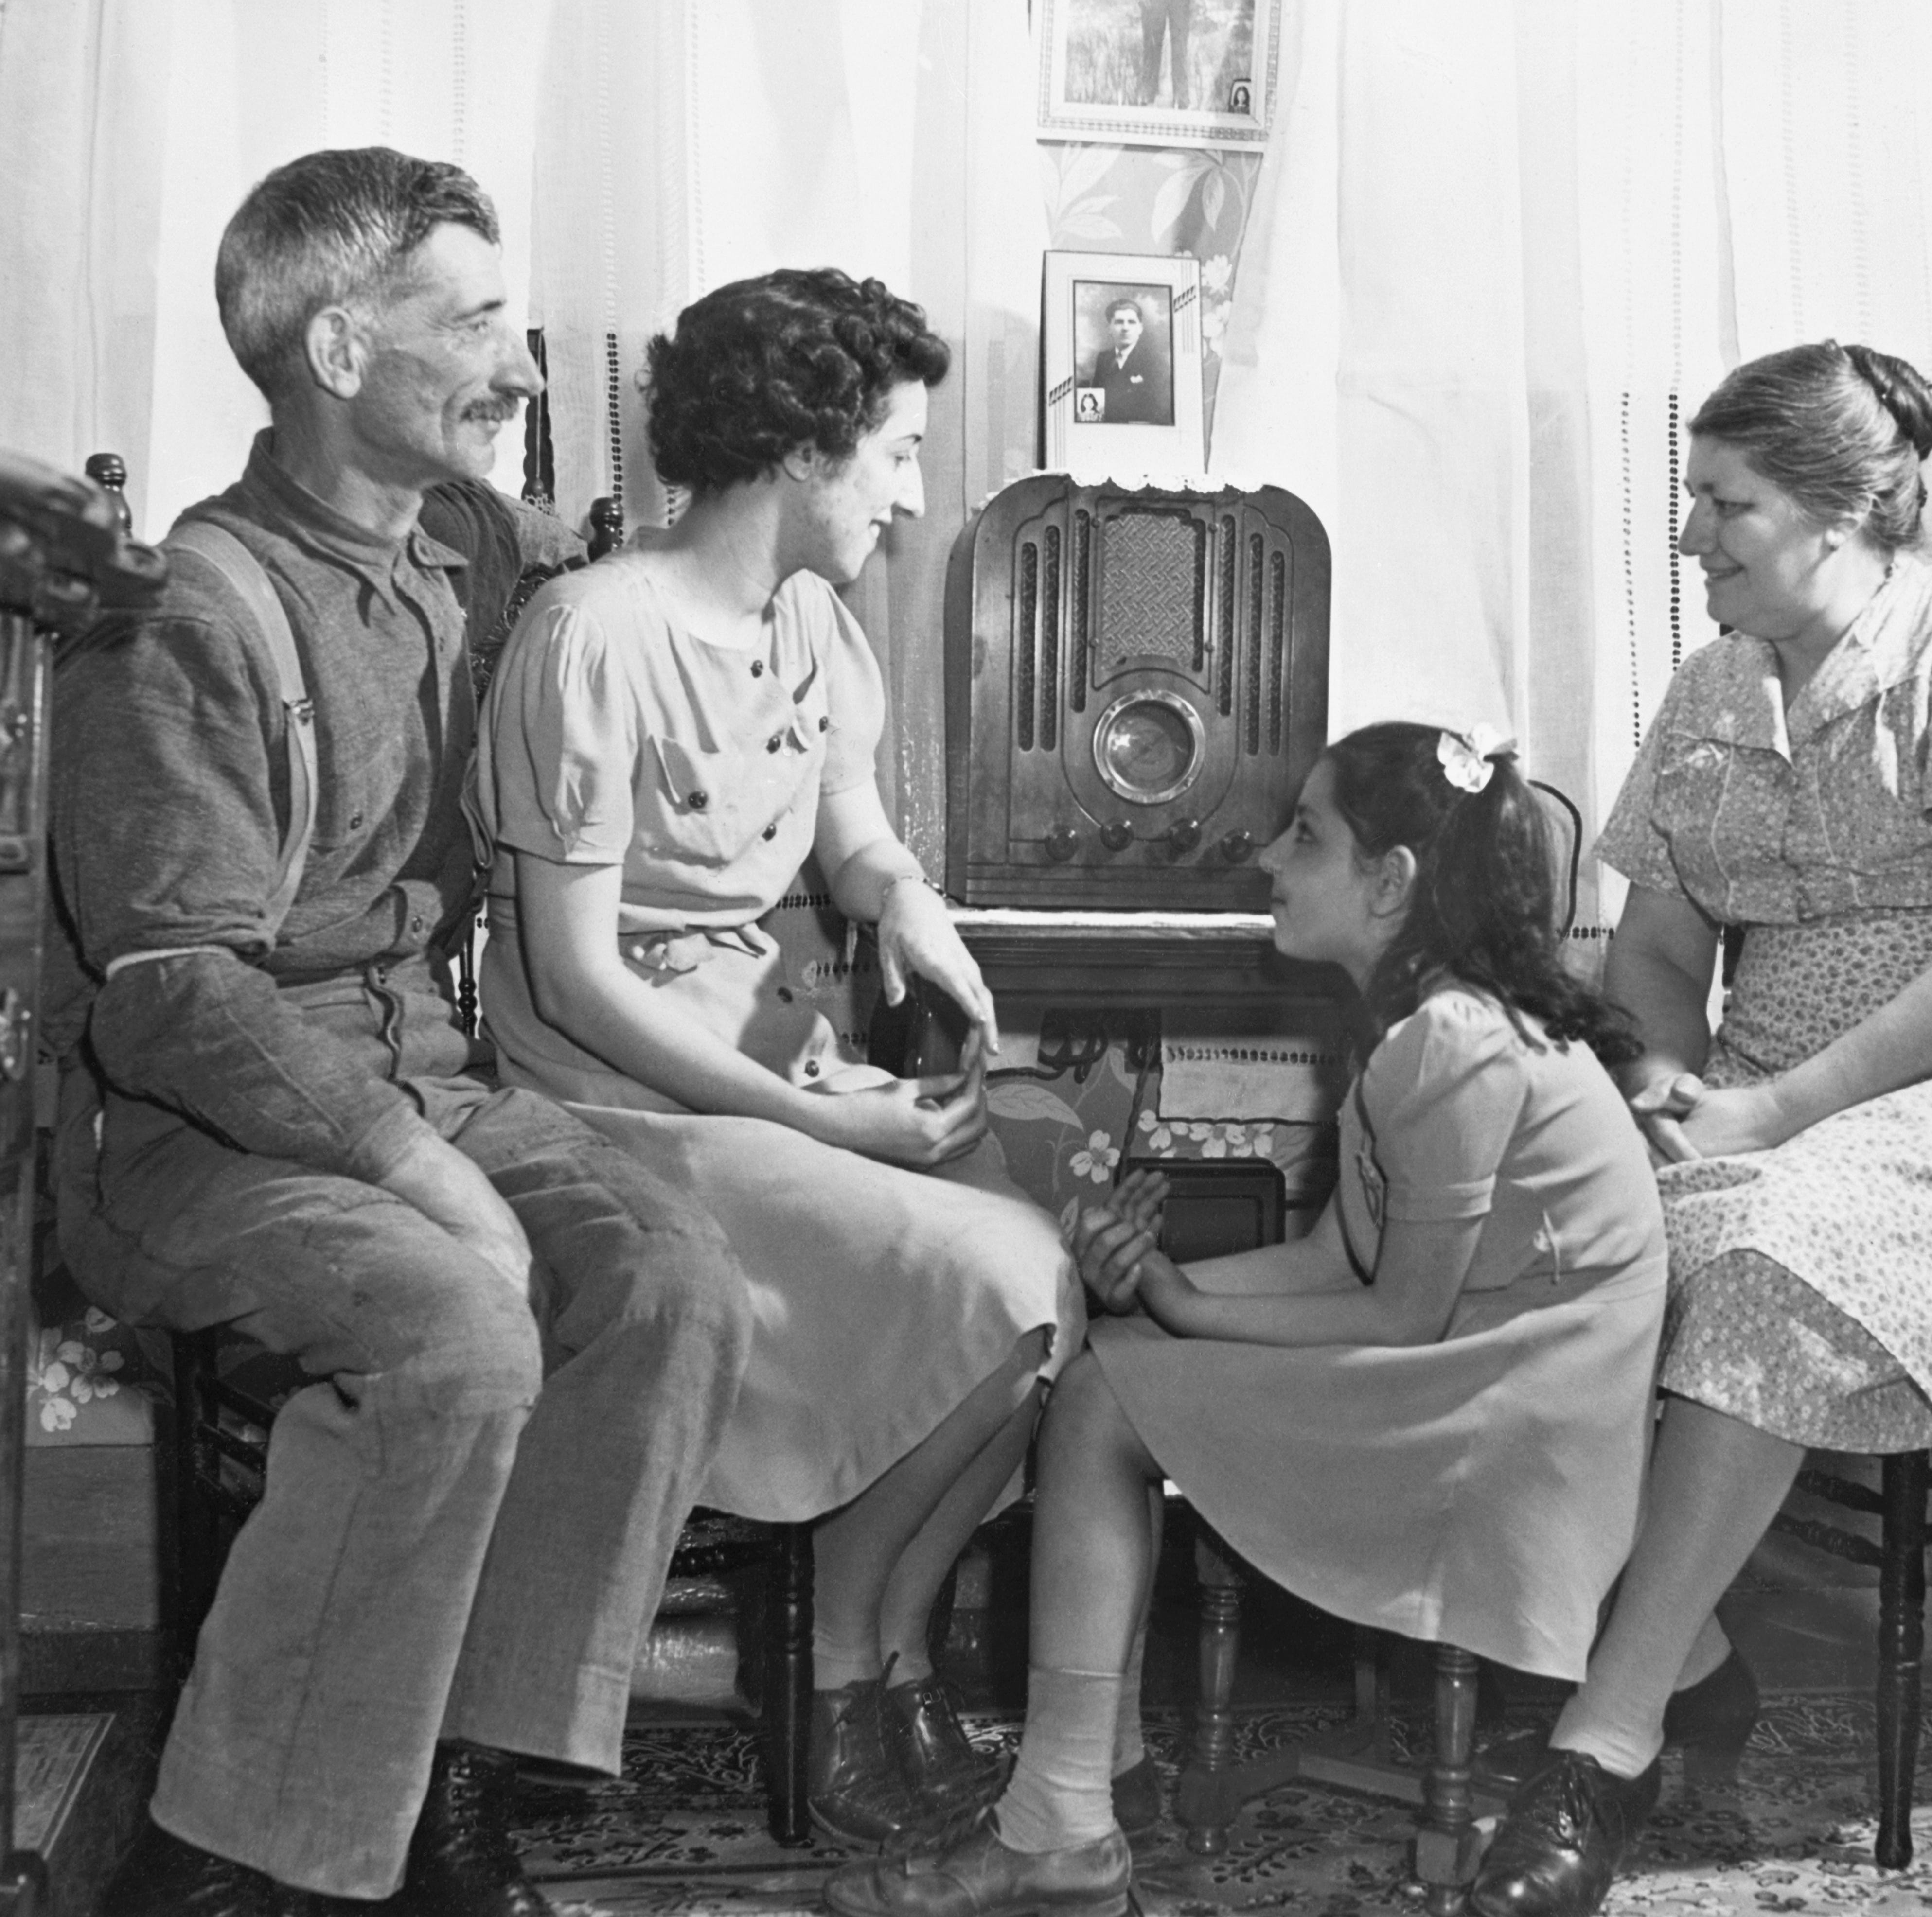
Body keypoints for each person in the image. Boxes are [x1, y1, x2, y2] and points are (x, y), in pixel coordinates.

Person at [50, 148, 753, 1917]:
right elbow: (173, 997)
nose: (523, 364)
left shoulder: (467, 551)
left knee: (672, 1283)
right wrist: (431, 1174)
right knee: (455, 1326)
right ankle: (222, 1858)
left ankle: (447, 1778)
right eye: (481, 322)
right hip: (195, 1134)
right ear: (345, 353)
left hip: (412, 1077)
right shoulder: (180, 614)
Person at [1461, 341, 1932, 1917]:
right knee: (1521, 1202)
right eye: (1692, 499)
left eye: (1727, 502)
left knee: (1771, 1245)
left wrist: (1767, 1115)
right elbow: (1651, 949)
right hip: (1765, 1089)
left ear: (1840, 509)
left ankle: (1607, 1742)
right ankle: (1690, 1645)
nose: (1693, 534)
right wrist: (1654, 1085)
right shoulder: (1715, 683)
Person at [825, 721, 1671, 1917]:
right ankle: (1082, 1774)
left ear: (1391, 884)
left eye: (1305, 835)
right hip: (1494, 1370)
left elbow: (1397, 1312)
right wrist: (1165, 1283)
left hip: (1526, 1425)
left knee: (1116, 1387)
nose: (1268, 858)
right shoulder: (1418, 1024)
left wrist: (1175, 1298)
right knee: (1121, 1360)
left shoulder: (1453, 1043)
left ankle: (1063, 1818)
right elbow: (1337, 1255)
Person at [467, 268, 1084, 1848]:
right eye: (894, 449)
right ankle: (833, 1654)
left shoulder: (805, 618)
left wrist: (905, 902)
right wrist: (829, 1114)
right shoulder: (592, 633)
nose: (915, 486)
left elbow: (852, 825)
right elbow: (578, 981)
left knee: (1052, 1278)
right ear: (801, 453)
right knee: (996, 1277)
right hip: (617, 1101)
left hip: (772, 1046)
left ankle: (871, 1647)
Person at [1083, 296, 1172, 426]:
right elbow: (1097, 406)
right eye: (1119, 322)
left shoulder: (1155, 362)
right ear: (1109, 328)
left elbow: (1160, 412)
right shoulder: (1103, 359)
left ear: (1140, 328)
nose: (1125, 328)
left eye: (1131, 322)